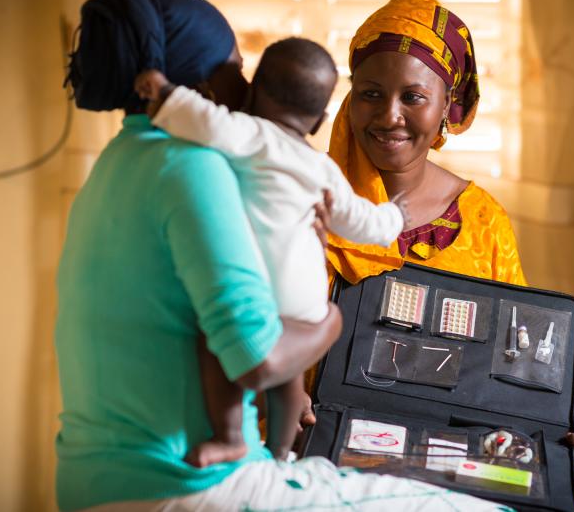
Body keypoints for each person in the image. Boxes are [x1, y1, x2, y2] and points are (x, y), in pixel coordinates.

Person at [57, 0, 506, 511]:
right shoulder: (196, 171)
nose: (246, 89)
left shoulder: (114, 165)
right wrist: (335, 323)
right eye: (237, 70)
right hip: (187, 486)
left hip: (91, 480)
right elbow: (255, 357)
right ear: (202, 85)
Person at [316, 0, 574, 512]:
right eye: (371, 93)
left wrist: (548, 434)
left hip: (457, 450)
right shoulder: (304, 200)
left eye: (412, 97)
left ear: (448, 108)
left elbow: (516, 366)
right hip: (329, 443)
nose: (388, 116)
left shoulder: (482, 218)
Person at [133, 36, 407, 465]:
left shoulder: (251, 133)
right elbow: (360, 221)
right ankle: (281, 454)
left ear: (254, 91)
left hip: (258, 293)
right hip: (308, 302)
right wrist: (393, 217)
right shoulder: (323, 169)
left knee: (213, 342)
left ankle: (229, 437)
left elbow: (203, 120)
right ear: (318, 121)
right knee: (288, 379)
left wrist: (163, 93)